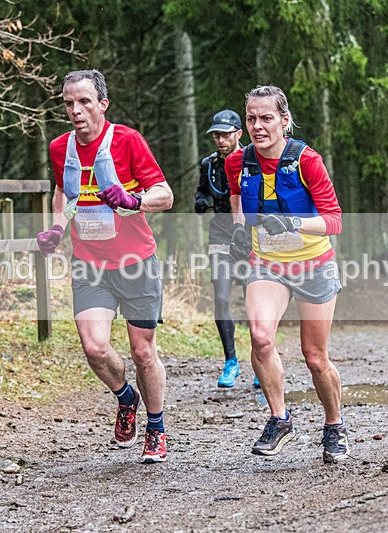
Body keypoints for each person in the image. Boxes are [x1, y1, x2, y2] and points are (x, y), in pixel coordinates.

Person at [36, 69, 174, 463]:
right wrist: (57, 229)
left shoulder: (127, 141)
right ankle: (126, 397)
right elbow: (64, 190)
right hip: (89, 263)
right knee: (95, 348)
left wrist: (134, 202)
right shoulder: (60, 147)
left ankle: (157, 427)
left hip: (135, 262)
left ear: (102, 104)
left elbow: (165, 195)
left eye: (84, 102)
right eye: (68, 103)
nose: (75, 111)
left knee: (143, 352)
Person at [225, 85, 349, 463]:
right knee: (261, 338)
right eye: (251, 119)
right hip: (268, 265)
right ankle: (280, 419)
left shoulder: (307, 160)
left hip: (314, 264)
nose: (258, 126)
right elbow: (238, 202)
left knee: (314, 357)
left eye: (266, 118)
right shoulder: (237, 162)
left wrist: (292, 222)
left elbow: (334, 221)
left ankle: (334, 426)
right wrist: (238, 230)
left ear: (284, 120)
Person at [194, 110, 251, 388]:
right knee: (221, 296)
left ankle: (262, 360)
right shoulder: (208, 164)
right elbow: (202, 190)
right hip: (220, 232)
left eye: (225, 134)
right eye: (216, 135)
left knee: (254, 300)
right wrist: (201, 200)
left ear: (239, 134)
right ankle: (231, 361)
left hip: (249, 233)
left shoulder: (252, 160)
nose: (220, 140)